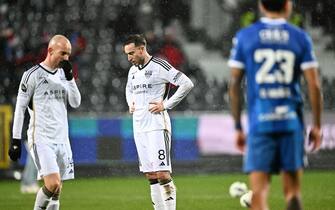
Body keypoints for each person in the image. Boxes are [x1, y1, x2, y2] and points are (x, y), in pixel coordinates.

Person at [228, 1, 322, 210]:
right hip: (291, 123)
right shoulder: (299, 36)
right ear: (288, 5)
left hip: (261, 123)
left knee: (259, 194)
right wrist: (316, 125)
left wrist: (237, 127)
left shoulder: (246, 36)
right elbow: (314, 85)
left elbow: (234, 84)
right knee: (293, 193)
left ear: (261, 5)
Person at [8, 34, 81, 210]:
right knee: (53, 184)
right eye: (63, 53)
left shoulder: (65, 76)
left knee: (57, 190)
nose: (66, 58)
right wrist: (16, 140)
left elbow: (75, 102)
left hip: (62, 139)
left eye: (68, 54)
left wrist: (70, 78)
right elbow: (20, 108)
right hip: (42, 139)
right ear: (50, 50)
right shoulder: (32, 75)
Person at [124, 34, 194, 210]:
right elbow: (128, 88)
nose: (129, 58)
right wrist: (130, 102)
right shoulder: (132, 71)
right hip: (139, 127)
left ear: (142, 49)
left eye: (131, 53)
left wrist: (166, 105)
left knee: (162, 174)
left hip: (157, 126)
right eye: (127, 54)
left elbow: (187, 83)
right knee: (151, 175)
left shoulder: (159, 65)